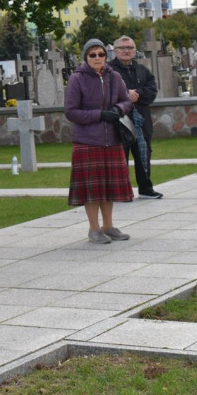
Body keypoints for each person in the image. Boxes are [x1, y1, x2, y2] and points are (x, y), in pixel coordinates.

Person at [64, 39, 134, 243]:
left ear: (106, 56)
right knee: (92, 189)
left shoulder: (115, 77)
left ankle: (109, 226)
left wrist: (117, 110)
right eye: (92, 55)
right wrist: (99, 115)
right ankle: (94, 229)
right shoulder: (77, 79)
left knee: (109, 187)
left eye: (101, 54)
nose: (97, 58)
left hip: (112, 139)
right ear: (86, 57)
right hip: (87, 141)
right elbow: (71, 111)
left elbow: (127, 101)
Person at [108, 35, 163, 199]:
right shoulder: (109, 71)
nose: (126, 51)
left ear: (134, 51)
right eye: (122, 48)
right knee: (120, 157)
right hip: (120, 122)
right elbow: (107, 93)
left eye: (130, 48)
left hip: (141, 121)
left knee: (143, 155)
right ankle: (121, 192)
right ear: (116, 51)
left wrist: (137, 94)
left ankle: (146, 189)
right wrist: (126, 94)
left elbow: (152, 91)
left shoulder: (142, 70)